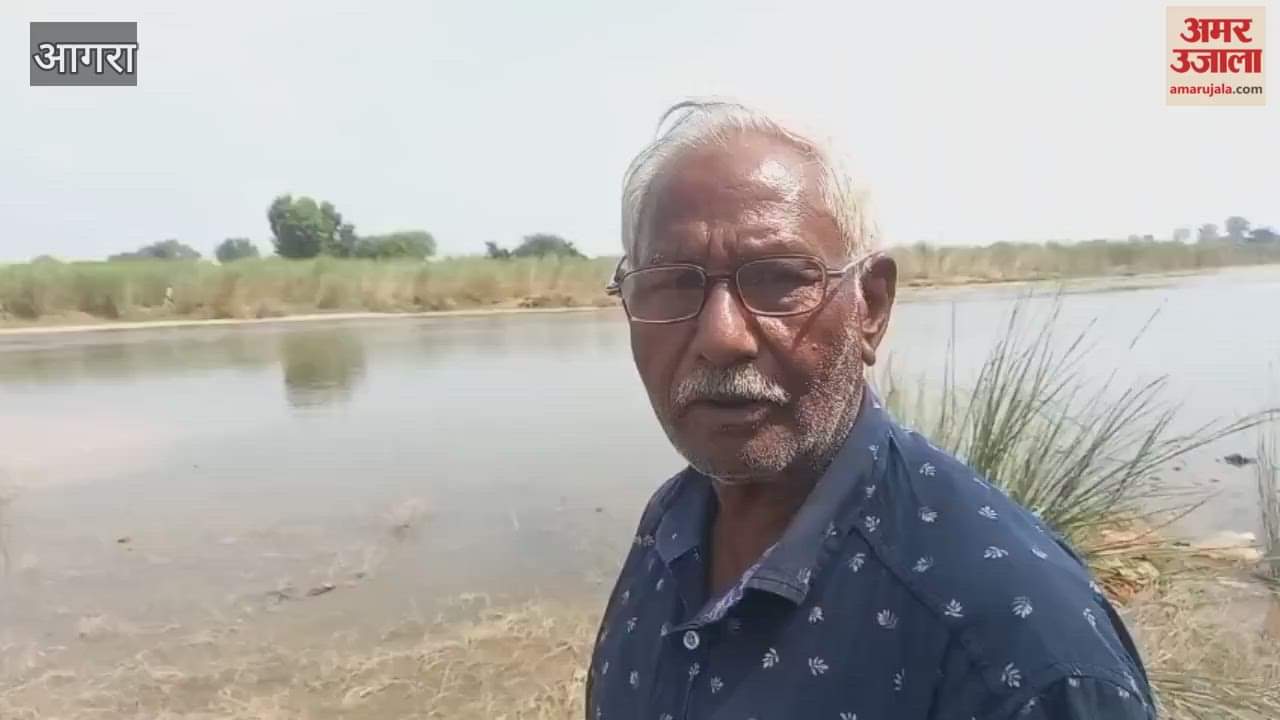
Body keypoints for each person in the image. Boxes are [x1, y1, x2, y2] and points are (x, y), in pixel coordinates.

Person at [586, 100, 1154, 720]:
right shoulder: (674, 519)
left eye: (778, 277)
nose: (723, 336)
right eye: (674, 282)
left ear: (871, 307)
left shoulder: (1018, 653)